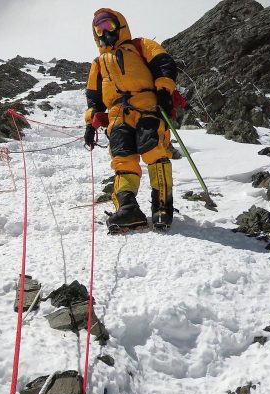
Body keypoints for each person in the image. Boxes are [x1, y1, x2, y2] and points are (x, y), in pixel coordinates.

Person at [82, 8, 182, 232]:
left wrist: (164, 91)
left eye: (108, 26)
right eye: (99, 29)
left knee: (154, 150)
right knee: (122, 159)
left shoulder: (140, 45)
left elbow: (164, 63)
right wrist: (90, 123)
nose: (105, 32)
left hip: (147, 105)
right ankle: (128, 209)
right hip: (117, 115)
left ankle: (162, 208)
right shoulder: (98, 64)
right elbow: (93, 97)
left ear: (120, 26)